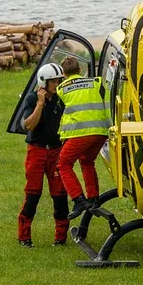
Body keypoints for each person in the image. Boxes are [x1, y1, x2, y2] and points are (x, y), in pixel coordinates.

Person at [17, 62, 70, 248]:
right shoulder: (31, 99)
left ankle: (61, 237)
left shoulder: (60, 98)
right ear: (43, 83)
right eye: (54, 81)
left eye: (58, 81)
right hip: (37, 151)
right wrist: (40, 104)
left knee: (60, 195)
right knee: (33, 193)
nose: (57, 84)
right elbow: (28, 125)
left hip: (56, 150)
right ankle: (24, 236)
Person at [56, 56, 109, 218]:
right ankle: (93, 198)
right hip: (100, 132)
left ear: (64, 74)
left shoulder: (61, 89)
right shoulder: (95, 82)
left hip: (80, 133)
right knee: (87, 161)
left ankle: (79, 200)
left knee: (63, 164)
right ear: (80, 70)